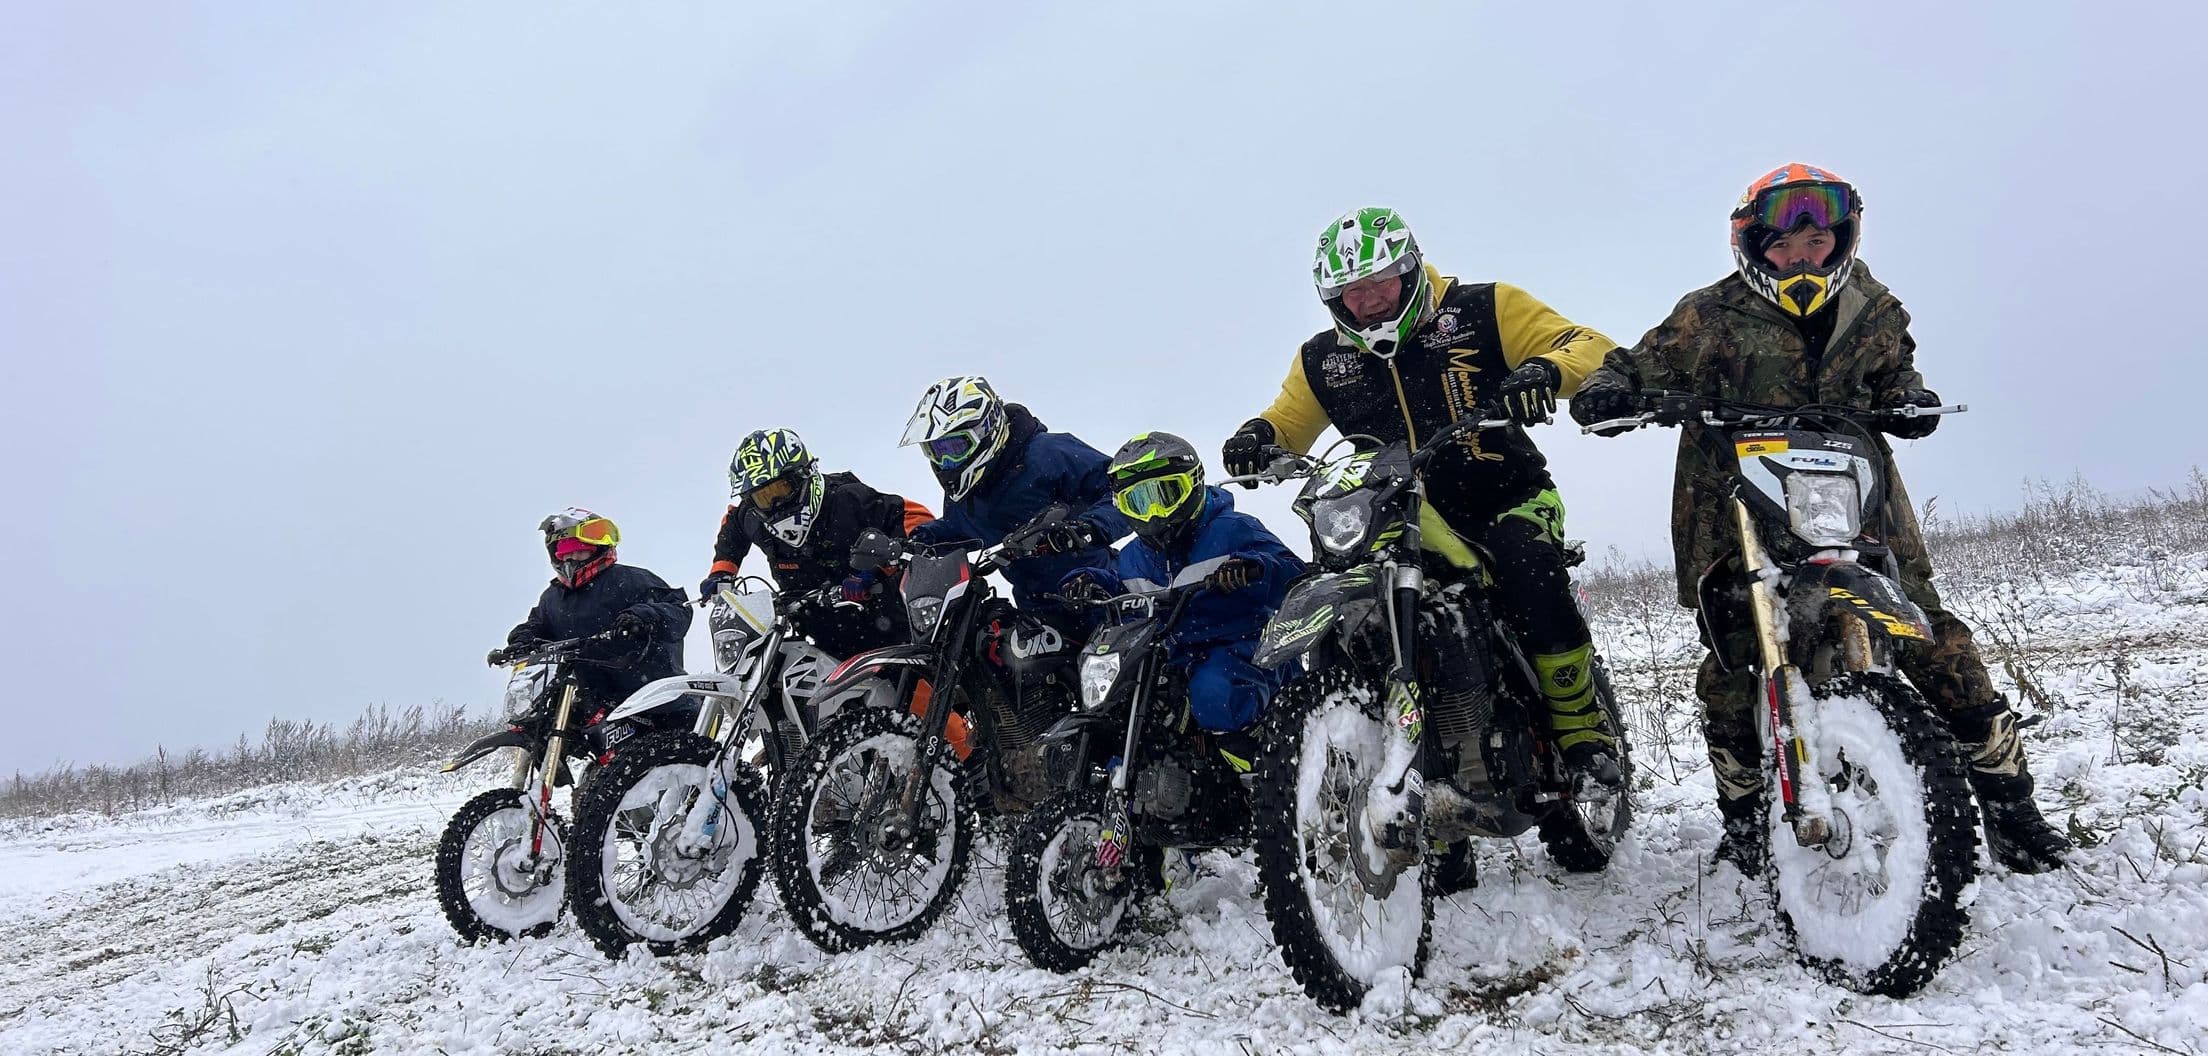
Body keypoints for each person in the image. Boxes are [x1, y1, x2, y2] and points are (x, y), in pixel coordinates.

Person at [1570, 162, 2070, 874]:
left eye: (1815, 244)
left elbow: (1896, 371)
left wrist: (1910, 398)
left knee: (1930, 633)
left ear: (1841, 241)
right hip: (1732, 502)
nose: (1801, 258)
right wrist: (1612, 391)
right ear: (1754, 246)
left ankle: (2013, 808)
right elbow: (1640, 365)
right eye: (1784, 247)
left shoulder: (1873, 307)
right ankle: (1746, 822)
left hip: (1855, 490)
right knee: (1735, 656)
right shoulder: (1706, 315)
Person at [1220, 207, 1623, 788]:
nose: (1371, 301)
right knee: (1343, 601)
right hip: (1387, 515)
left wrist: (1545, 371)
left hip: (1504, 498)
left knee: (1527, 567)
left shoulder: (1485, 308)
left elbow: (1585, 344)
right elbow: (1288, 419)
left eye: (1381, 281)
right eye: (1352, 291)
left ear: (1410, 270)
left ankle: (1582, 729)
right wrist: (1261, 437)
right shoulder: (1322, 360)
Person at [1063, 432, 1306, 767]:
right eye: (1138, 502)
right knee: (1117, 701)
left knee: (1213, 692)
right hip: (1170, 658)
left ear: (1193, 486)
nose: (1153, 514)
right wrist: (1087, 581)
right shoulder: (1134, 556)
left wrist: (1255, 569)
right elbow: (1120, 586)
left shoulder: (1233, 530)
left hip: (1242, 647)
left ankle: (1261, 778)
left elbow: (1295, 574)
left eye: (1165, 495)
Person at [899, 375, 1132, 614]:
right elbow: (958, 531)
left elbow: (1124, 491)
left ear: (986, 428)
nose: (947, 461)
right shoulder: (967, 494)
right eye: (938, 452)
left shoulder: (1049, 452)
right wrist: (913, 542)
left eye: (955, 448)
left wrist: (1085, 529)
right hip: (1033, 610)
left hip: (1099, 594)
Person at [698, 427, 932, 659]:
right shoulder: (752, 518)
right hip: (818, 632)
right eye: (763, 497)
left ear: (803, 475)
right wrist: (721, 574)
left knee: (914, 688)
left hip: (887, 624)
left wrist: (877, 568)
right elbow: (733, 525)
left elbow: (918, 519)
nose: (774, 503)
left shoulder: (848, 498)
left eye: (780, 489)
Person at [490, 508, 695, 752]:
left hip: (654, 700)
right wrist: (521, 642)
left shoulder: (632, 580)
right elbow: (536, 626)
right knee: (544, 727)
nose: (576, 555)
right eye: (569, 549)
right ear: (557, 556)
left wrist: (641, 616)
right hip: (590, 699)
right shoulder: (553, 598)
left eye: (584, 547)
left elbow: (679, 611)